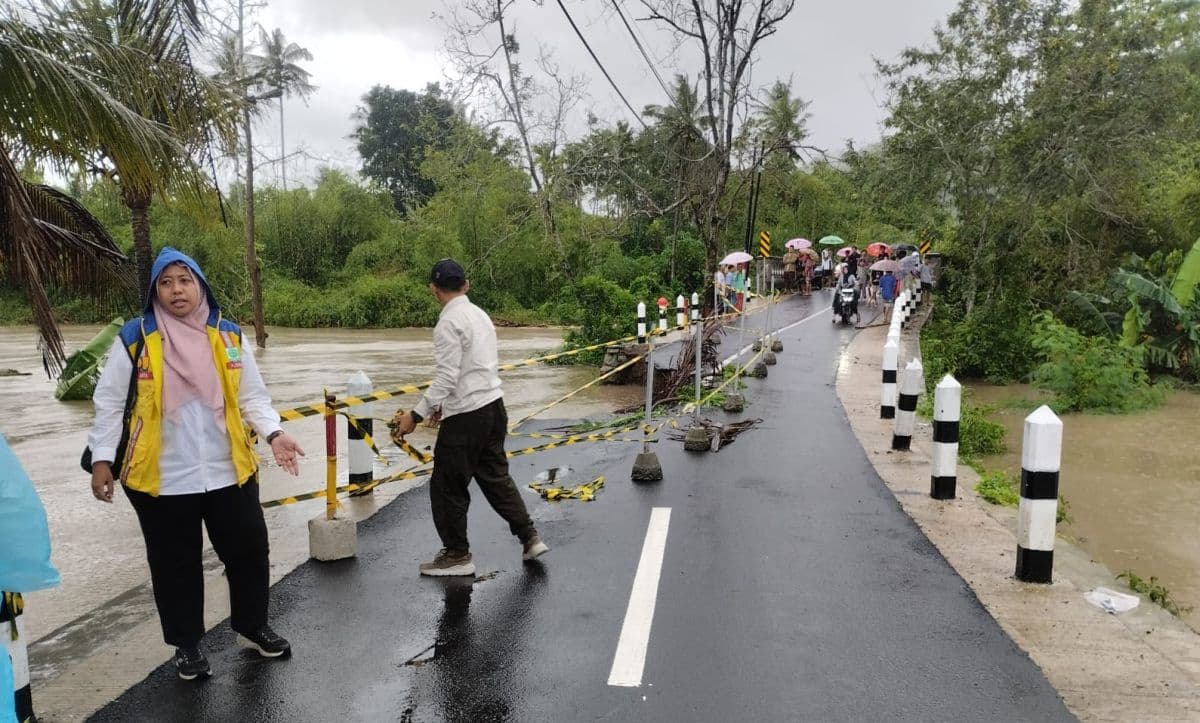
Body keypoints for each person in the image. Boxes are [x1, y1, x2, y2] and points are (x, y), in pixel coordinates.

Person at [88, 247, 304, 681]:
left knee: (248, 550)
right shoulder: (135, 337)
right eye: (165, 283)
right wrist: (101, 460)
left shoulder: (226, 335)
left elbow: (251, 397)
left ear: (200, 284)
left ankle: (252, 625)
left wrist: (275, 433)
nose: (176, 291)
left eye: (184, 280)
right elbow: (110, 404)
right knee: (175, 566)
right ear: (154, 291)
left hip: (229, 468)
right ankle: (186, 646)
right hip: (162, 476)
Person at [393, 259, 548, 577]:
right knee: (495, 477)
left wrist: (416, 414)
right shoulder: (480, 316)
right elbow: (472, 370)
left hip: (466, 417)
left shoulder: (447, 324)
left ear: (433, 290)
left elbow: (448, 376)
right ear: (466, 285)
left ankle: (456, 555)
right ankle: (529, 536)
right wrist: (441, 406)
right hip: (494, 407)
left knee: (447, 486)